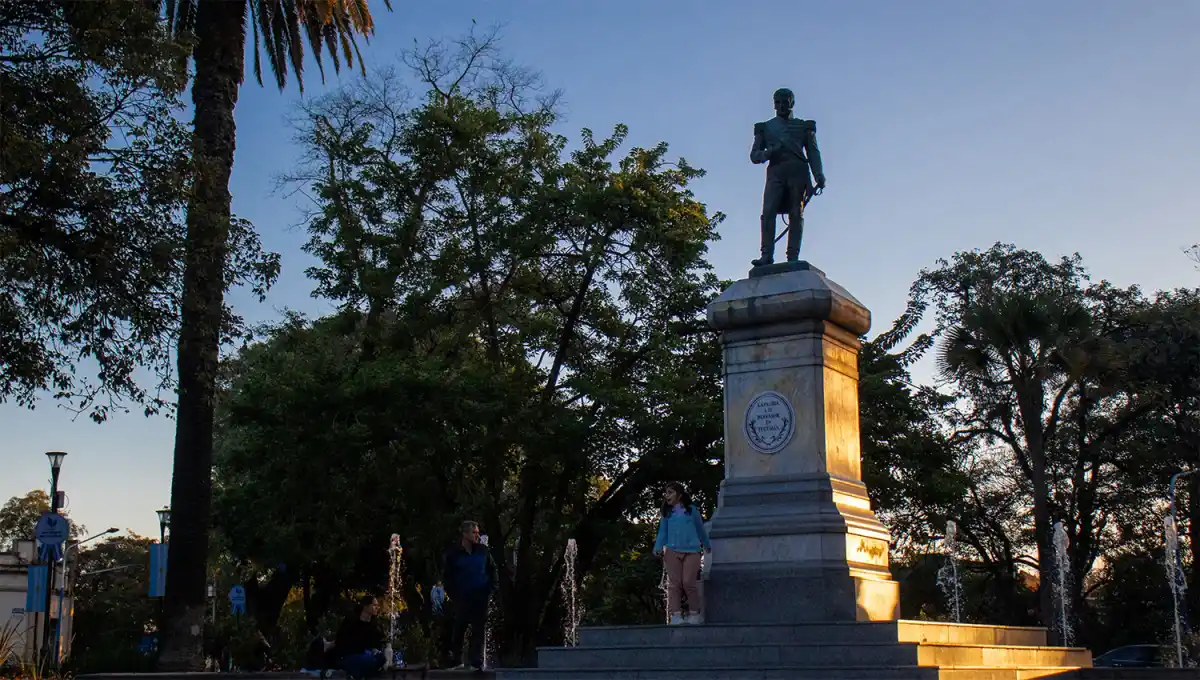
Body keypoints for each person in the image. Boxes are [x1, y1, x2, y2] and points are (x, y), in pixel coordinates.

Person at [443, 520, 498, 671]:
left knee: (479, 629)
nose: (477, 535)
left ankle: (476, 661)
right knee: (459, 628)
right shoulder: (454, 554)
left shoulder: (483, 551)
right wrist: (454, 594)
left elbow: (492, 570)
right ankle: (456, 660)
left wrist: (490, 590)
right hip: (462, 596)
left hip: (481, 595)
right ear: (465, 534)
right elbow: (447, 577)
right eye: (474, 532)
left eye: (477, 532)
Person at [653, 482, 711, 625]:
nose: (667, 496)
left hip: (692, 551)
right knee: (674, 584)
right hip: (672, 551)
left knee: (688, 582)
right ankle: (676, 615)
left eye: (670, 492)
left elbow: (700, 529)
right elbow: (663, 532)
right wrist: (658, 546)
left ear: (679, 495)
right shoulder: (667, 513)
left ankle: (695, 613)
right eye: (666, 493)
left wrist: (707, 544)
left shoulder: (692, 510)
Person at [335, 595, 386, 679]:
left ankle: (360, 675)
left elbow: (377, 642)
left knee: (381, 658)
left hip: (365, 654)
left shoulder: (373, 625)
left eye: (377, 606)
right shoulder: (351, 621)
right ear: (365, 606)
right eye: (374, 605)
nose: (377, 608)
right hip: (349, 655)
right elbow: (341, 641)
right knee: (369, 661)